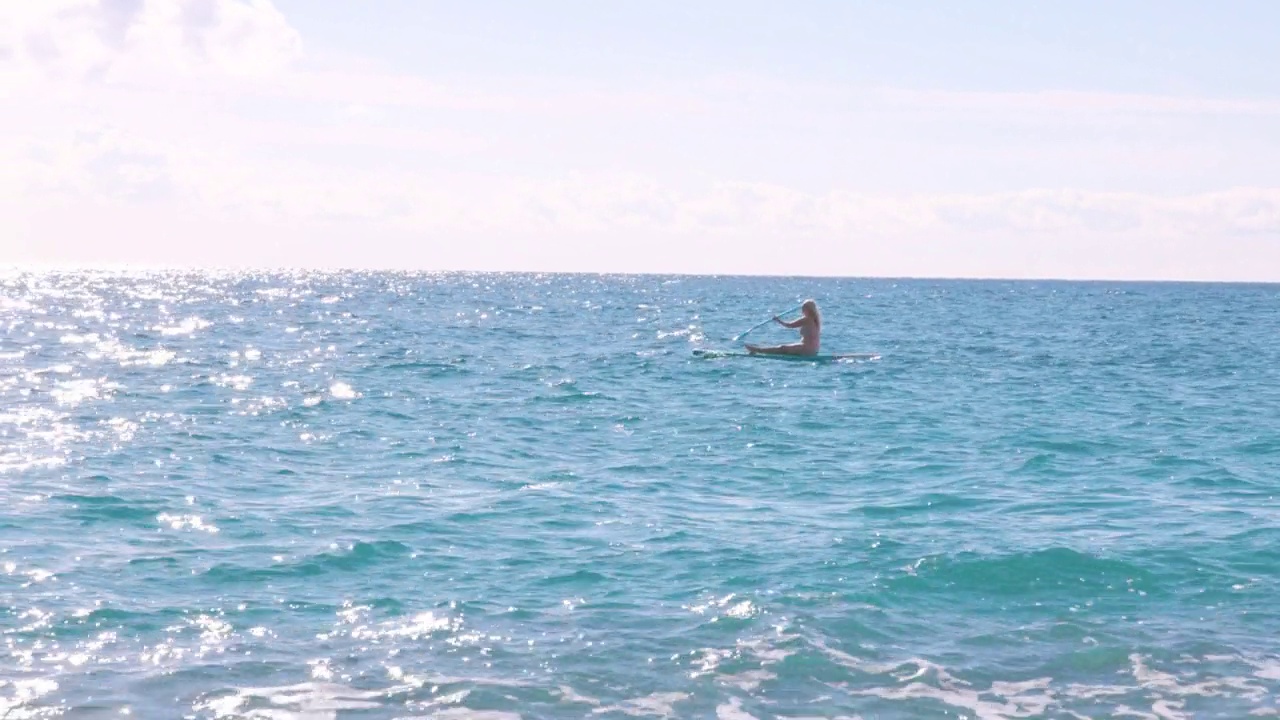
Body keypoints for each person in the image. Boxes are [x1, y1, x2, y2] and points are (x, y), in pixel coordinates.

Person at [745, 299, 821, 356]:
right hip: (813, 350)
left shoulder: (807, 319)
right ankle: (758, 349)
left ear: (808, 309)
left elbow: (789, 325)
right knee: (785, 348)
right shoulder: (815, 320)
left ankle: (757, 350)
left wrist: (778, 320)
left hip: (806, 350)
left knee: (782, 348)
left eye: (803, 308)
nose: (802, 310)